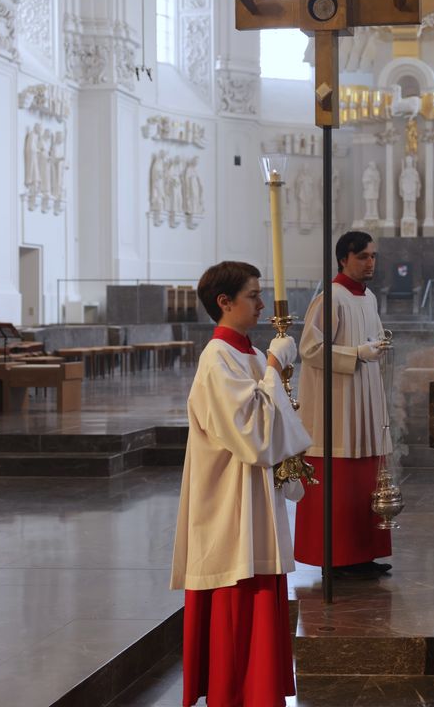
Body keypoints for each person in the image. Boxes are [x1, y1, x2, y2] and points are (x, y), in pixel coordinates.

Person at [171, 261, 313, 707]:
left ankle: (260, 690)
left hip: (253, 499)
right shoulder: (217, 359)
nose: (263, 304)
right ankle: (237, 692)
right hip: (229, 505)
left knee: (258, 587)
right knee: (238, 598)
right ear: (225, 303)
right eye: (253, 296)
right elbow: (254, 437)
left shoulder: (246, 354)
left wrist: (273, 370)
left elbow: (274, 418)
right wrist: (274, 365)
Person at [294, 232, 393, 578]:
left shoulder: (369, 299)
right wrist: (356, 354)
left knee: (364, 484)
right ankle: (336, 561)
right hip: (337, 409)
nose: (371, 263)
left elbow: (374, 339)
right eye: (363, 257)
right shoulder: (329, 299)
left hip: (365, 404)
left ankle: (362, 556)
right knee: (340, 486)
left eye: (373, 257)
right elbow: (309, 349)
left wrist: (378, 346)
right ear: (343, 259)